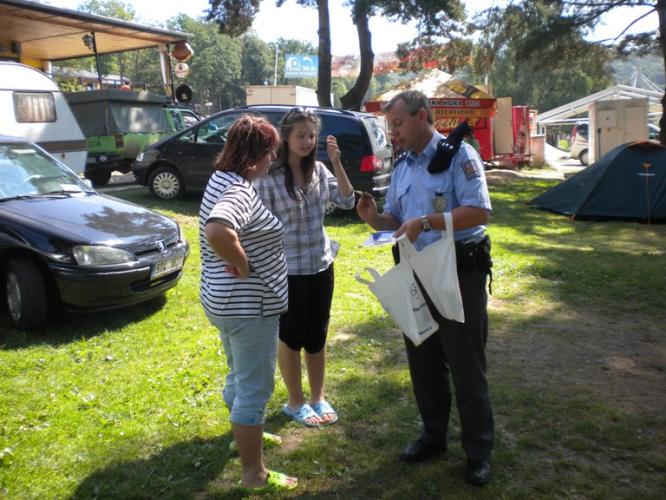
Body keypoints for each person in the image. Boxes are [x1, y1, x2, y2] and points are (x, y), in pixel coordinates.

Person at [356, 90, 494, 486]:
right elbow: (396, 220)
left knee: (466, 367)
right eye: (391, 125)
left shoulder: (460, 156)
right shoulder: (402, 166)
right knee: (424, 363)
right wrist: (374, 219)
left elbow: (479, 212)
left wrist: (429, 222)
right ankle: (433, 437)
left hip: (457, 274)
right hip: (414, 274)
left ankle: (478, 451)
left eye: (398, 124)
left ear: (422, 117)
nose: (393, 133)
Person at [199, 115, 297, 494]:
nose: (274, 159)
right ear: (255, 156)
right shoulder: (238, 190)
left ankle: (243, 437)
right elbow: (218, 230)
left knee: (238, 375)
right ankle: (254, 473)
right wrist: (242, 262)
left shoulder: (220, 179)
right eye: (271, 152)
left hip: (223, 302)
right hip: (248, 307)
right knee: (254, 389)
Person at [254, 107, 355, 427]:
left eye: (312, 135)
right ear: (285, 137)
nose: (307, 141)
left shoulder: (321, 171)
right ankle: (295, 402)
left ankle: (318, 397)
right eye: (301, 135)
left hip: (321, 265)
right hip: (287, 271)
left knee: (317, 335)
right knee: (291, 336)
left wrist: (336, 162)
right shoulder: (269, 179)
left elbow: (347, 200)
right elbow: (256, 226)